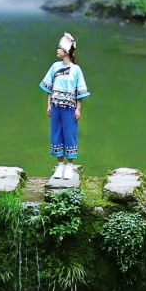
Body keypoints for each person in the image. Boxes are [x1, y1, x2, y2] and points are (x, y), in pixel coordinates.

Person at [40, 32, 89, 180]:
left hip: (69, 108)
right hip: (56, 106)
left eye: (59, 48)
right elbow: (49, 88)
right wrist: (49, 105)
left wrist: (78, 108)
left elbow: (79, 91)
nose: (57, 50)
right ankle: (59, 165)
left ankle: (70, 166)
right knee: (56, 133)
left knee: (70, 134)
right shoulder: (55, 67)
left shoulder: (76, 70)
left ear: (67, 51)